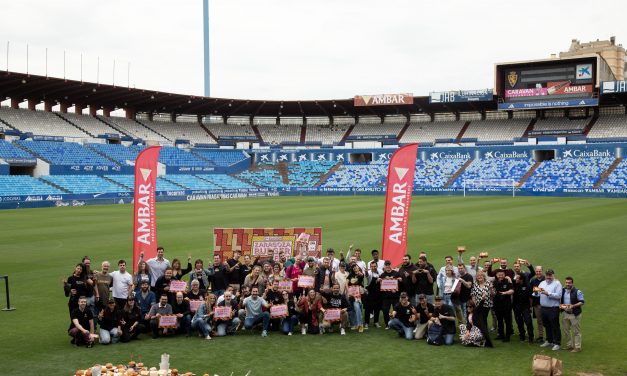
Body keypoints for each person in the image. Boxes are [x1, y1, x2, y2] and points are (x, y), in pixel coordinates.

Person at [536, 269, 563, 351]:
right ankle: (549, 340)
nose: (548, 277)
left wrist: (548, 293)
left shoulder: (557, 284)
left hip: (553, 308)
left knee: (555, 326)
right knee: (546, 325)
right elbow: (537, 294)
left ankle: (557, 343)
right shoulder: (542, 283)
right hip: (543, 308)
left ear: (553, 275)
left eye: (550, 275)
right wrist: (536, 292)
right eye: (547, 275)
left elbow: (558, 296)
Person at [470, 271, 493, 347]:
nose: (479, 278)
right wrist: (474, 303)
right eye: (478, 276)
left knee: (483, 319)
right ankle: (483, 334)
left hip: (486, 305)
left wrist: (491, 290)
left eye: (481, 276)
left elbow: (493, 294)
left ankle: (484, 335)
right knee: (481, 320)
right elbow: (473, 294)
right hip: (477, 306)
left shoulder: (488, 283)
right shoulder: (475, 284)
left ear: (484, 277)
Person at [561, 276, 584, 353]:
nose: (567, 284)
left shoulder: (578, 291)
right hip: (565, 313)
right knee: (566, 330)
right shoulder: (563, 290)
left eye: (569, 283)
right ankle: (569, 345)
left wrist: (573, 305)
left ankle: (577, 347)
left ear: (572, 283)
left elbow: (582, 302)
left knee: (576, 331)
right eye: (566, 282)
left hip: (575, 314)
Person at [512, 262, 534, 343]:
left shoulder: (527, 287)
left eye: (517, 278)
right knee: (519, 322)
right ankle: (522, 336)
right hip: (516, 306)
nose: (516, 279)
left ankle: (531, 337)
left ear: (521, 279)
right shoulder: (515, 285)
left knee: (528, 321)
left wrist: (530, 307)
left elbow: (530, 298)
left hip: (525, 306)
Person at [379, 260, 402, 329]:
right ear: (385, 266)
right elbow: (380, 283)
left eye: (389, 265)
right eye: (386, 265)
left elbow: (400, 281)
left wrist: (399, 279)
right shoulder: (383, 274)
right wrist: (379, 280)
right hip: (386, 297)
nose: (388, 266)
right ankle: (387, 324)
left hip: (395, 296)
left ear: (390, 265)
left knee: (396, 310)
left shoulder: (395, 273)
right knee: (385, 310)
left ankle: (396, 323)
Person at [493, 269, 514, 342]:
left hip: (506, 305)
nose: (500, 276)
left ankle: (507, 337)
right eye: (499, 275)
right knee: (499, 321)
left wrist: (505, 293)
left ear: (504, 275)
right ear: (496, 275)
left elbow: (512, 290)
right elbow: (492, 292)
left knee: (507, 321)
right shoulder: (494, 282)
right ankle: (501, 335)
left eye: (502, 274)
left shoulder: (507, 281)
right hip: (497, 305)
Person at [346, 263, 365, 332]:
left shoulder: (360, 274)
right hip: (351, 294)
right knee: (352, 309)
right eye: (354, 268)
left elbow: (362, 275)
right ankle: (355, 324)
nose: (355, 268)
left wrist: (359, 272)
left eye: (356, 267)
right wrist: (348, 290)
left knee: (357, 307)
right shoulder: (350, 275)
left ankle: (360, 325)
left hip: (358, 295)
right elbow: (346, 283)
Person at [529, 265, 545, 343]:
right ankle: (541, 336)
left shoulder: (546, 280)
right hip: (537, 304)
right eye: (537, 271)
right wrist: (531, 305)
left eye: (540, 271)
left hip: (546, 305)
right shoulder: (533, 281)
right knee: (539, 321)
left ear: (542, 271)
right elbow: (531, 294)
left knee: (548, 321)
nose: (538, 272)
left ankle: (550, 337)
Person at [364, 261, 382, 329]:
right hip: (369, 292)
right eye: (372, 266)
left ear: (377, 266)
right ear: (370, 267)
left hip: (378, 293)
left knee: (377, 308)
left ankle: (376, 322)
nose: (373, 268)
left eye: (374, 266)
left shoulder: (380, 272)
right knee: (367, 308)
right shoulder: (368, 273)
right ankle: (366, 323)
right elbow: (366, 276)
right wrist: (365, 272)